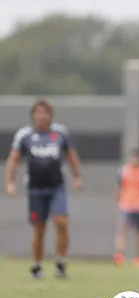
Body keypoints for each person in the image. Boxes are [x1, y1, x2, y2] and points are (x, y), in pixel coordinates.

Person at [5, 99, 82, 279]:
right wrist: (9, 182)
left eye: (45, 112)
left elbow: (71, 155)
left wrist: (77, 176)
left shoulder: (59, 133)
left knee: (61, 222)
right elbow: (13, 160)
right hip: (35, 189)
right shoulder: (25, 136)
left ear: (50, 115)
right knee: (39, 228)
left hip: (57, 187)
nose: (41, 116)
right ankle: (37, 265)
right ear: (33, 116)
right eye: (38, 112)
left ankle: (60, 263)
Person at [113, 149, 139, 268]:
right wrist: (116, 203)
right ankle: (119, 255)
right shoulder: (123, 171)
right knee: (122, 230)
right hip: (126, 205)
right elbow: (118, 188)